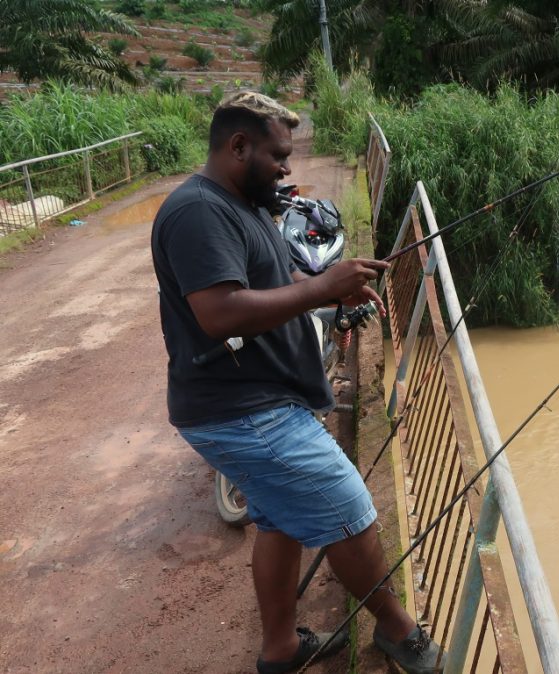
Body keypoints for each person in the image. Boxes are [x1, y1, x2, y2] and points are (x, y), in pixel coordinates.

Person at [151, 91, 442, 674]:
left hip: (262, 399)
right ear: (238, 146)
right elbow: (220, 313)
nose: (288, 167)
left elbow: (274, 277)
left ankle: (281, 650)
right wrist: (319, 287)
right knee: (350, 511)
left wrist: (333, 290)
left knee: (280, 522)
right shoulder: (197, 213)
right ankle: (396, 629)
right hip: (241, 411)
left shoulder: (245, 202)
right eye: (279, 155)